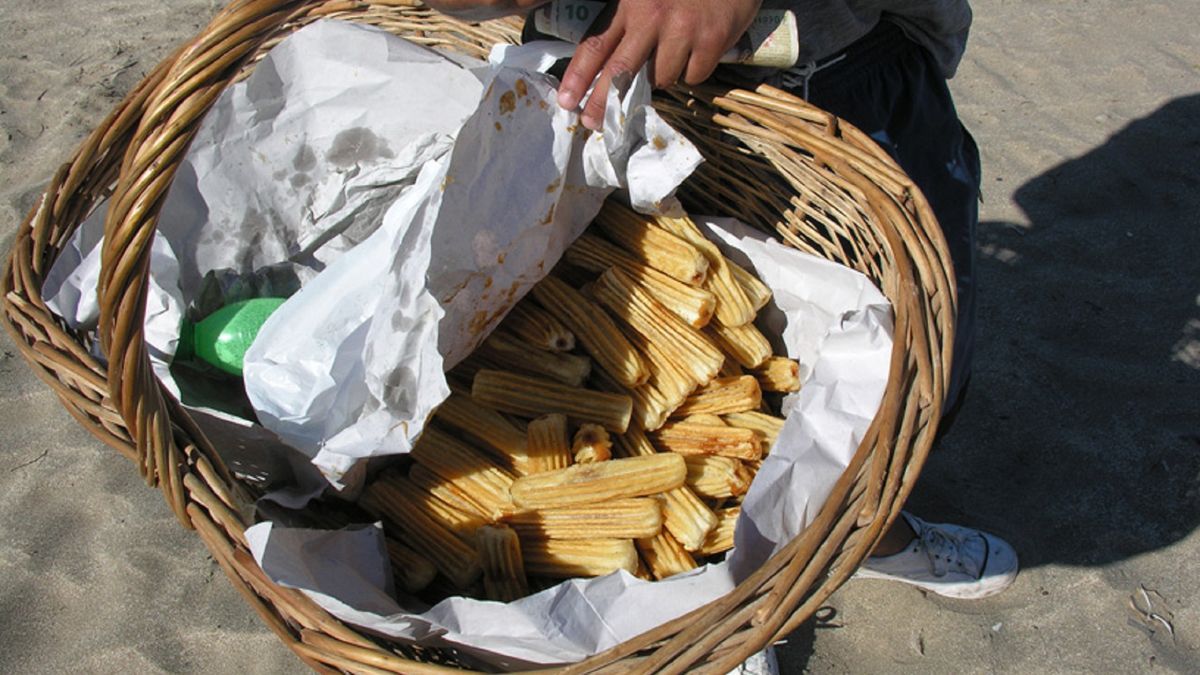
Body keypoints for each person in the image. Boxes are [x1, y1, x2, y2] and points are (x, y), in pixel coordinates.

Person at [424, 0, 1019, 612]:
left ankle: (871, 530)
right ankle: (708, 600)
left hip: (828, 67)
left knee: (910, 379)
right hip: (592, 61)